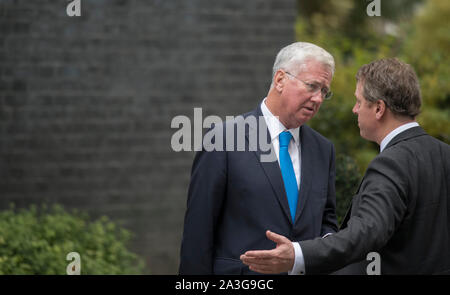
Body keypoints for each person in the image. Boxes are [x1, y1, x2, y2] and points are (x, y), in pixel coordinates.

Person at [240, 58, 450, 275]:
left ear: (379, 108)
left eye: (359, 102)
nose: (354, 109)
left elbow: (366, 234)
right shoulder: (445, 154)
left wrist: (298, 255)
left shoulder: (391, 163)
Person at [179, 42, 339, 274]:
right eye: (312, 86)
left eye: (324, 91)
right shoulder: (223, 140)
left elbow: (327, 221)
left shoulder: (323, 150)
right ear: (280, 79)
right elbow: (198, 234)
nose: (318, 99)